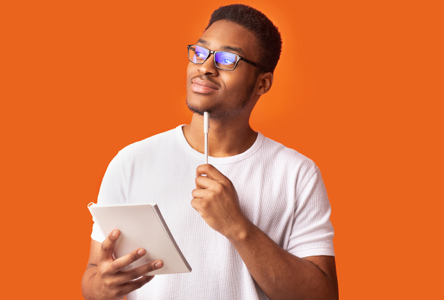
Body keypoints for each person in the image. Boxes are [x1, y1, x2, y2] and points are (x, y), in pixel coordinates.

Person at [81, 4, 339, 300]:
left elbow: (323, 296)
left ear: (262, 83)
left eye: (228, 59)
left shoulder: (297, 174)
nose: (205, 67)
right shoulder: (131, 161)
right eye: (201, 52)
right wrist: (102, 287)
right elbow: (93, 274)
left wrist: (237, 227)